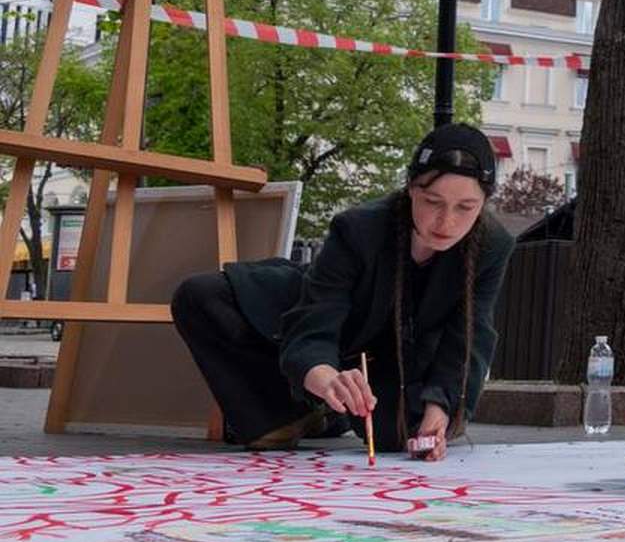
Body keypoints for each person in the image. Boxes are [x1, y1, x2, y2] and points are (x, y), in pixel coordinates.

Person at [172, 123, 514, 458]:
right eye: (432, 201)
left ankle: (328, 413)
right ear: (411, 188)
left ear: (484, 202)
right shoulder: (359, 228)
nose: (446, 222)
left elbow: (469, 336)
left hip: (399, 360)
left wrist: (440, 409)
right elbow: (317, 315)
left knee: (397, 435)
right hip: (324, 319)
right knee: (201, 296)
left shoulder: (492, 246)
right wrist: (326, 378)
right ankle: (295, 412)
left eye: (465, 207)